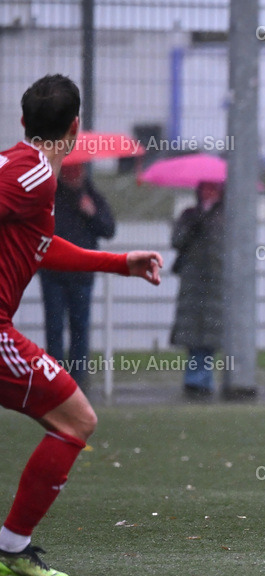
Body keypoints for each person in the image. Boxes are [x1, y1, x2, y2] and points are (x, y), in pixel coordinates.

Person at [0, 74, 162, 576]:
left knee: (72, 420)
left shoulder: (25, 167)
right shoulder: (32, 176)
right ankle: (9, 550)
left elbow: (41, 247)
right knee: (76, 421)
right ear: (75, 128)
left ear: (24, 122)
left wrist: (118, 262)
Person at [170, 181, 254, 401]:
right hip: (193, 284)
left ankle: (201, 380)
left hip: (216, 284)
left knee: (209, 335)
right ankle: (195, 380)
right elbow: (177, 241)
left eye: (213, 188)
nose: (208, 193)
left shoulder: (229, 216)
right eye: (205, 188)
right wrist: (195, 224)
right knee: (194, 334)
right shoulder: (189, 215)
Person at [38, 162, 116, 392]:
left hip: (82, 275)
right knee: (54, 326)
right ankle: (54, 378)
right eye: (69, 170)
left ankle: (77, 379)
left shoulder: (92, 197)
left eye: (77, 170)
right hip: (53, 273)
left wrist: (91, 213)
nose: (73, 175)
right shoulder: (49, 196)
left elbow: (109, 229)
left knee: (80, 326)